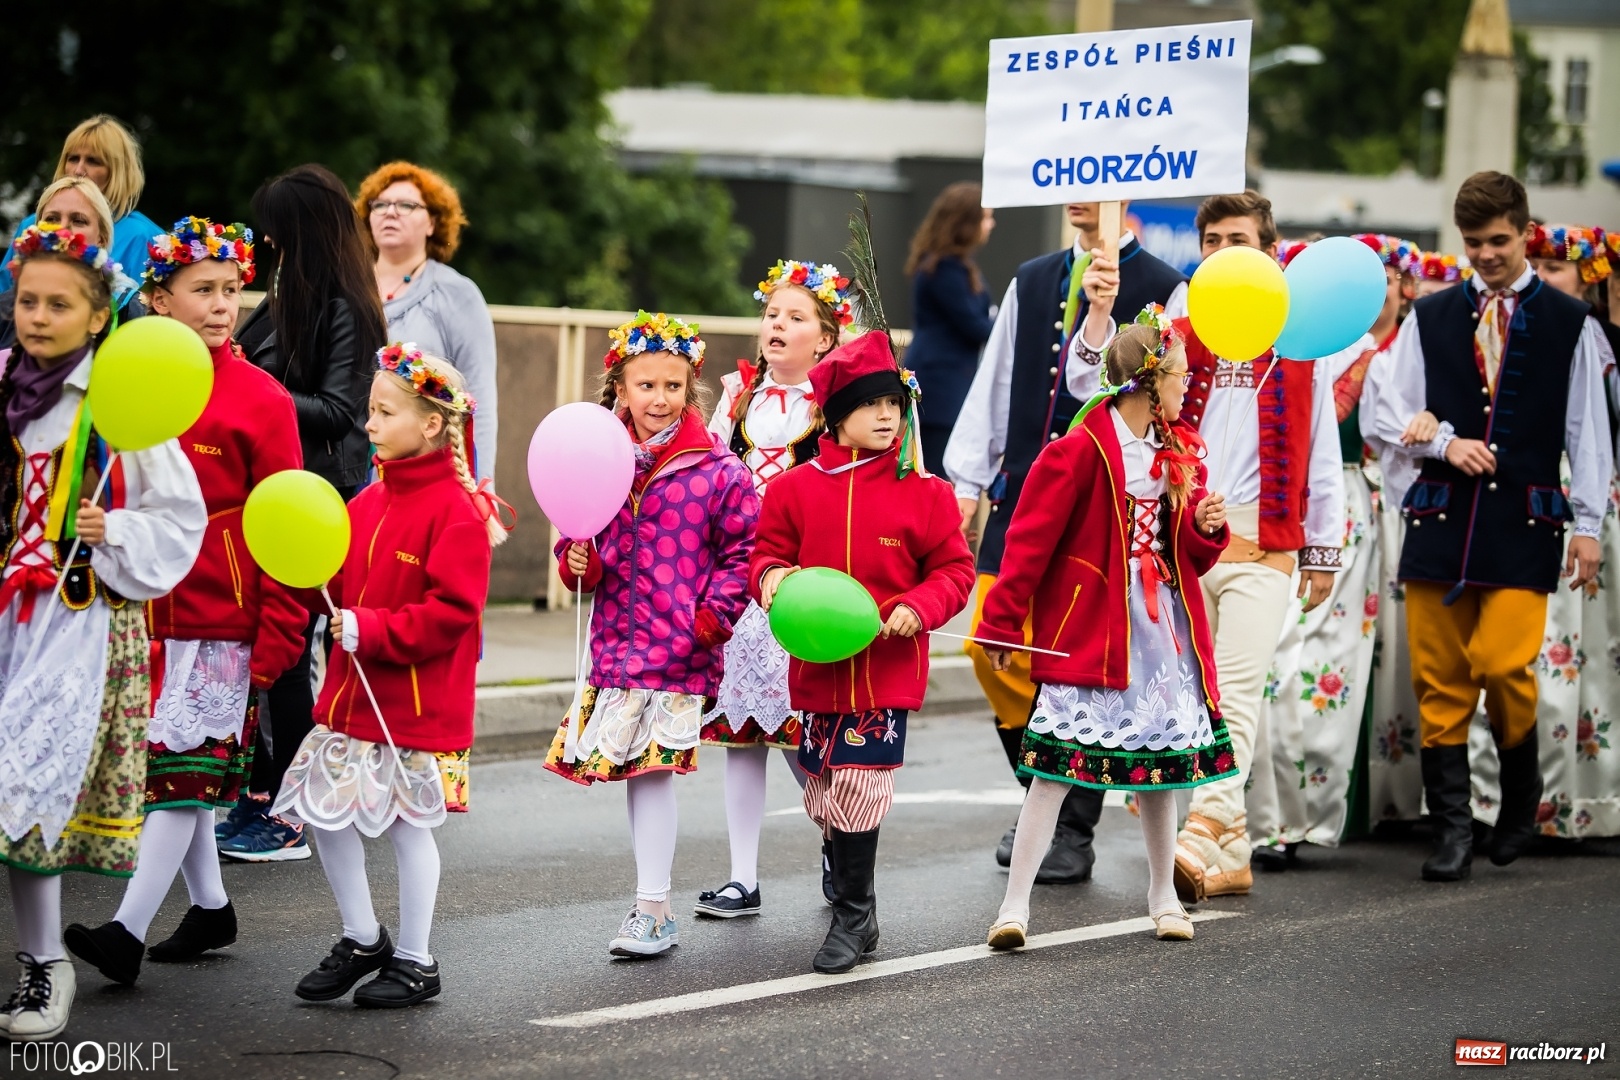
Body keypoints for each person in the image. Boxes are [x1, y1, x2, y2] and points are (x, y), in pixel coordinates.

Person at [62, 219, 307, 988]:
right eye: (203, 290)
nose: (222, 305)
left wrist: (279, 632)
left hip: (223, 623)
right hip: (147, 610)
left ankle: (126, 933)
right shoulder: (134, 381)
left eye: (232, 290)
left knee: (181, 770)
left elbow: (290, 523)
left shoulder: (263, 399)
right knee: (180, 773)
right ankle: (210, 906)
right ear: (160, 300)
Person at [1368, 172, 1612, 881]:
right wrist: (1438, 439)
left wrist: (1589, 525)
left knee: (1505, 664)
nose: (1486, 255)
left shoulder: (1574, 326)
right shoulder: (1431, 317)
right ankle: (1451, 831)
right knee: (1439, 680)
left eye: (1499, 241)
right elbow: (1390, 413)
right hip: (1440, 518)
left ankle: (1521, 791)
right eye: (1474, 243)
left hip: (1523, 521)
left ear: (1525, 233)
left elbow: (1587, 433)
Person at [1101, 191, 1344, 902]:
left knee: (1234, 696)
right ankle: (1233, 852)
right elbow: (1116, 396)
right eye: (1211, 240)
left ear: (1269, 251)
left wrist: (1322, 548)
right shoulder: (1176, 327)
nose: (1222, 250)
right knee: (1191, 700)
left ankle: (1203, 828)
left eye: (1238, 238)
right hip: (1190, 538)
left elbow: (1321, 447)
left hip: (1265, 543)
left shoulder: (1298, 337)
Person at [0, 225, 205, 1040]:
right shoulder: (6, 386)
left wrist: (111, 527)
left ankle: (44, 964)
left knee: (27, 789)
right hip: (7, 617)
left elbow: (179, 518)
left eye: (59, 304)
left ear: (95, 319)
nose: (38, 317)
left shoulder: (115, 402)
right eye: (26, 301)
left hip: (73, 622)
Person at [946, 201, 1186, 883]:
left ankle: (1071, 828)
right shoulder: (1035, 274)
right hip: (1025, 491)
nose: (1083, 191)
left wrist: (1104, 319)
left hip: (1104, 503)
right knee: (994, 654)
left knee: (1080, 658)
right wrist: (967, 478)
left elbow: (1147, 392)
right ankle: (1041, 802)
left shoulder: (1167, 283)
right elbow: (996, 380)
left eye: (1100, 174)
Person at [977, 308, 1234, 947]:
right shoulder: (1077, 453)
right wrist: (1003, 623)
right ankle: (1015, 908)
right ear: (1148, 385)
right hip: (1095, 628)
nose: (1186, 385)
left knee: (1161, 769)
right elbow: (1028, 543)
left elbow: (1188, 558)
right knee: (1056, 770)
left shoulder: (1179, 453)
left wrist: (1205, 529)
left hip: (1161, 631)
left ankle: (1162, 896)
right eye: (1178, 376)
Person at [274, 345, 504, 1008]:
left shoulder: (459, 509)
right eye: (370, 411)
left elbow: (453, 612)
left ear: (431, 424)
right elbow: (337, 583)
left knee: (408, 826)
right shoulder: (366, 503)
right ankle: (362, 935)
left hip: (414, 704)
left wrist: (371, 630)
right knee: (325, 812)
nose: (367, 423)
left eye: (383, 411)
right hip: (350, 698)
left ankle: (415, 958)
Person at [751, 328, 975, 973]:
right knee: (824, 791)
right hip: (817, 668)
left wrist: (918, 607)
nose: (887, 416)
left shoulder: (925, 492)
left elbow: (954, 572)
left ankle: (852, 917)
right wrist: (772, 580)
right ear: (835, 415)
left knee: (857, 783)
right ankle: (859, 904)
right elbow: (766, 555)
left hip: (885, 673)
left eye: (894, 404)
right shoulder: (795, 488)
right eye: (871, 405)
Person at [544, 312, 758, 958]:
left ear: (690, 388)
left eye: (672, 386)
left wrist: (712, 617)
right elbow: (578, 535)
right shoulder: (597, 457)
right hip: (616, 642)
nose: (659, 399)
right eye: (645, 386)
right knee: (638, 775)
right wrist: (576, 559)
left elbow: (741, 553)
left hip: (680, 645)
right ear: (619, 388)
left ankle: (652, 908)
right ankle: (651, 905)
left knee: (651, 774)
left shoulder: (718, 470)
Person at [224, 164, 389, 862]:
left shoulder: (345, 305)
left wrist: (248, 389)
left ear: (304, 231)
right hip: (276, 493)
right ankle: (264, 791)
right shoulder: (288, 293)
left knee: (290, 653)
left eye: (278, 231)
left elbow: (340, 412)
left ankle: (291, 812)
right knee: (273, 651)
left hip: (322, 497)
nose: (269, 242)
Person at [1248, 234, 1413, 866]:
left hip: (1335, 508)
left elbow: (1379, 438)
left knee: (1316, 664)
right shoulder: (1270, 347)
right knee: (1270, 662)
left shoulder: (1375, 357)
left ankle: (1304, 814)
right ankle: (1257, 811)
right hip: (1264, 507)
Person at [697, 260, 851, 917]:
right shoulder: (737, 397)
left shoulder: (836, 408)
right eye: (771, 314)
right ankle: (742, 876)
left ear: (824, 338)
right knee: (742, 734)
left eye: (795, 317)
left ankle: (837, 836)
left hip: (804, 587)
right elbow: (705, 482)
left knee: (804, 732)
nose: (777, 325)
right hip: (741, 591)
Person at [356, 162, 499, 482]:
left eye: (406, 205)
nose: (391, 212)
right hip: (352, 477)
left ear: (433, 222)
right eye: (380, 204)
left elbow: (480, 401)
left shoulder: (458, 294)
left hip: (429, 477)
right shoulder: (346, 287)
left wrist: (480, 486)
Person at [0, 115, 160, 294]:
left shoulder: (142, 236)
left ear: (118, 172)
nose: (78, 170)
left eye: (93, 161)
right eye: (73, 158)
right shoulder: (32, 225)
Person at [903, 182, 995, 476]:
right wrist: (1006, 324)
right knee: (936, 473)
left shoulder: (950, 265)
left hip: (946, 381)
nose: (990, 224)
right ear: (967, 223)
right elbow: (975, 326)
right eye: (986, 217)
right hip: (939, 385)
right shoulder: (943, 269)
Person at [0, 177, 143, 349]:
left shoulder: (129, 308)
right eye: (52, 219)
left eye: (78, 221)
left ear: (102, 239)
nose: (62, 229)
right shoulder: (7, 306)